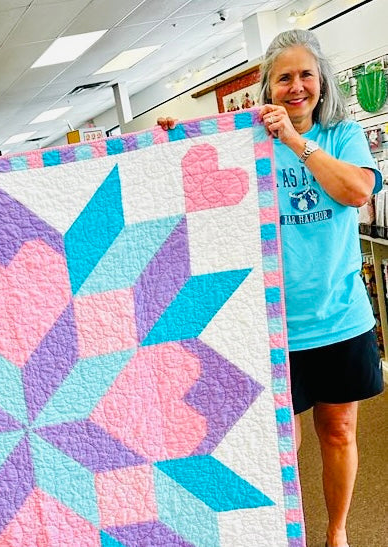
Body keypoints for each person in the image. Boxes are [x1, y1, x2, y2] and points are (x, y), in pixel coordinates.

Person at [159, 29, 383, 547]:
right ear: (268, 88)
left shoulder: (342, 136)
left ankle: (338, 532)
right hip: (270, 324)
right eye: (284, 77)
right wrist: (170, 143)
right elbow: (193, 186)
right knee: (283, 442)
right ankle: (288, 532)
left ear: (322, 84)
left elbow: (357, 191)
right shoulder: (247, 141)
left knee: (340, 431)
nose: (296, 86)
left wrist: (295, 141)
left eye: (306, 75)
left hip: (340, 316)